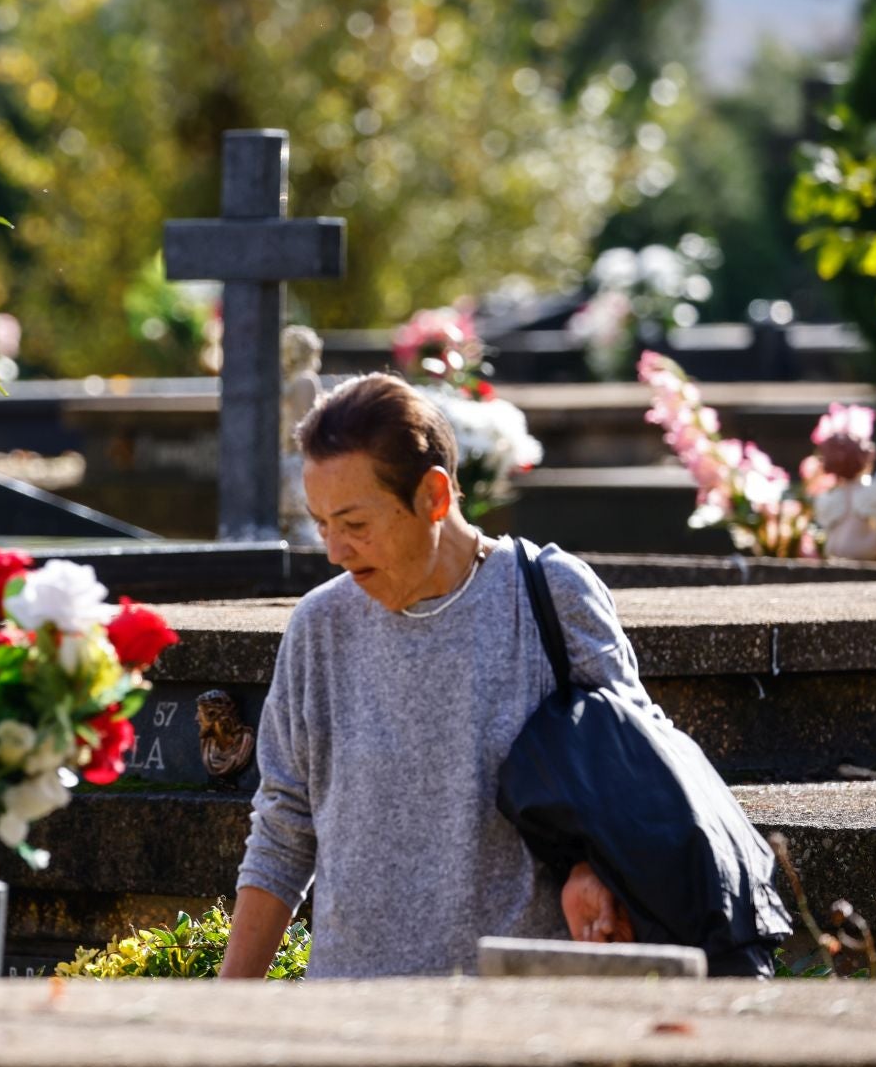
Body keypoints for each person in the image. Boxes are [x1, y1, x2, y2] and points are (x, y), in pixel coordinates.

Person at [221, 372, 655, 979]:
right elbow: (283, 831)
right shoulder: (319, 627)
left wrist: (594, 868)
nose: (335, 552)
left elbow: (638, 779)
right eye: (322, 525)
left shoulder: (550, 598)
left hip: (518, 1025)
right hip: (352, 1028)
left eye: (354, 523)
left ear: (434, 496)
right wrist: (226, 1009)